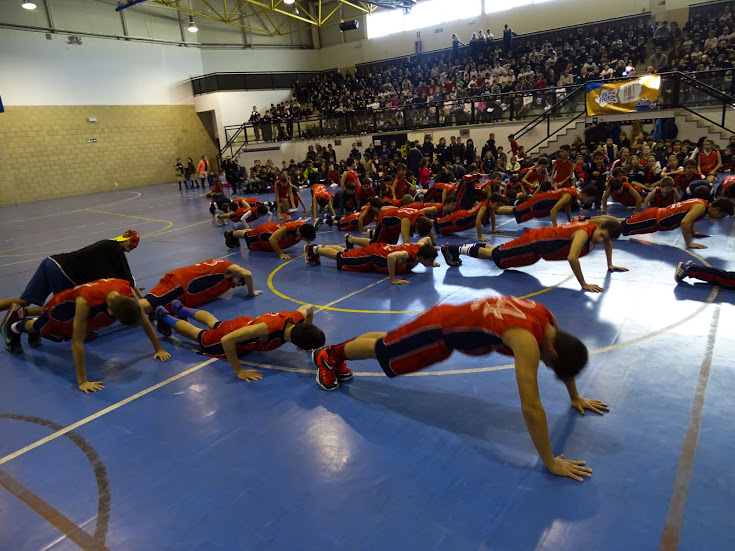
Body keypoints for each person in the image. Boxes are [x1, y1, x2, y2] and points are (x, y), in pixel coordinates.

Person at [312, 295, 608, 481]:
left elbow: (563, 357)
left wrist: (575, 396)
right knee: (384, 351)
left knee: (391, 342)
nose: (545, 364)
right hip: (439, 332)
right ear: (552, 353)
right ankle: (329, 355)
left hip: (447, 323)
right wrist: (550, 462)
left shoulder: (548, 320)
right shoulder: (526, 340)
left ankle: (339, 352)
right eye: (549, 364)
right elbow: (531, 407)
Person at [1, 278, 170, 392]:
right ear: (111, 312)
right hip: (62, 307)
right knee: (45, 330)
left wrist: (159, 348)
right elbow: (77, 342)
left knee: (57, 335)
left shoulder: (126, 290)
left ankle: (27, 323)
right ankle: (13, 326)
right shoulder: (85, 301)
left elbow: (143, 320)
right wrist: (82, 381)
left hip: (88, 306)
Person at [441, 217, 627, 292]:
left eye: (605, 239)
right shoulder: (583, 234)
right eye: (601, 236)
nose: (601, 240)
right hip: (533, 243)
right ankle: (452, 248)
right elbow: (572, 257)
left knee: (497, 251)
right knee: (496, 256)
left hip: (537, 247)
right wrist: (583, 284)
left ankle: (454, 249)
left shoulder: (598, 229)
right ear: (600, 227)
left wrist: (609, 264)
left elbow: (608, 240)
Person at [153, 303, 324, 382]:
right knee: (200, 336)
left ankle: (181, 308)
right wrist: (239, 371)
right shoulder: (267, 330)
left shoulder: (296, 318)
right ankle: (164, 316)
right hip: (233, 334)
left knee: (215, 323)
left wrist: (306, 332)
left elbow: (308, 307)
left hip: (243, 323)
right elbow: (227, 340)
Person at [0, 230, 141, 316]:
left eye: (133, 248)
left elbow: (122, 278)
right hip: (63, 271)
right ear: (124, 239)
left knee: (25, 301)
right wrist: (140, 303)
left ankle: (19, 312)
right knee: (67, 310)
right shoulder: (116, 250)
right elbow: (127, 279)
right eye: (131, 245)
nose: (130, 249)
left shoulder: (108, 245)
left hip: (51, 261)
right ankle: (23, 315)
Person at [138, 260, 261, 313]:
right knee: (149, 304)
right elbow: (247, 274)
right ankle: (126, 311)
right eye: (239, 283)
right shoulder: (228, 268)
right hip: (182, 283)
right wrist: (250, 293)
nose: (235, 285)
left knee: (152, 306)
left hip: (182, 282)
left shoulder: (225, 276)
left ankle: (127, 312)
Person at [304, 236, 439, 285]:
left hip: (379, 249)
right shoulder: (406, 255)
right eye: (429, 260)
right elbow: (391, 257)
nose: (430, 263)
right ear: (421, 258)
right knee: (341, 257)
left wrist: (430, 259)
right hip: (373, 255)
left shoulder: (420, 248)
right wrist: (392, 279)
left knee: (347, 253)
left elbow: (426, 239)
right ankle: (312, 249)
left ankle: (321, 247)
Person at [620, 198, 733, 248]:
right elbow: (685, 222)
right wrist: (689, 243)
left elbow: (691, 218)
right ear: (717, 209)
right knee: (621, 227)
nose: (719, 219)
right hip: (654, 219)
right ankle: (606, 229)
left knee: (624, 222)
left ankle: (606, 221)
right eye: (721, 216)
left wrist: (693, 232)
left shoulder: (703, 204)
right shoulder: (701, 207)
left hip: (655, 218)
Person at [496, 184, 597, 227]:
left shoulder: (573, 195)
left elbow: (567, 207)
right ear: (586, 195)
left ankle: (496, 209)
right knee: (516, 211)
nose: (589, 202)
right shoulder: (569, 195)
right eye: (590, 200)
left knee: (516, 209)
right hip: (538, 202)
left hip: (541, 201)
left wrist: (569, 220)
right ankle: (494, 210)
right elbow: (554, 210)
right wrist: (555, 227)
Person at [224, 220, 316, 259]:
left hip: (273, 230)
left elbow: (308, 236)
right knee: (248, 235)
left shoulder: (303, 228)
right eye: (305, 239)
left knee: (252, 232)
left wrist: (309, 244)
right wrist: (280, 254)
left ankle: (234, 235)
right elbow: (272, 239)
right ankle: (231, 234)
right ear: (301, 234)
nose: (305, 240)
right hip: (266, 233)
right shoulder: (289, 228)